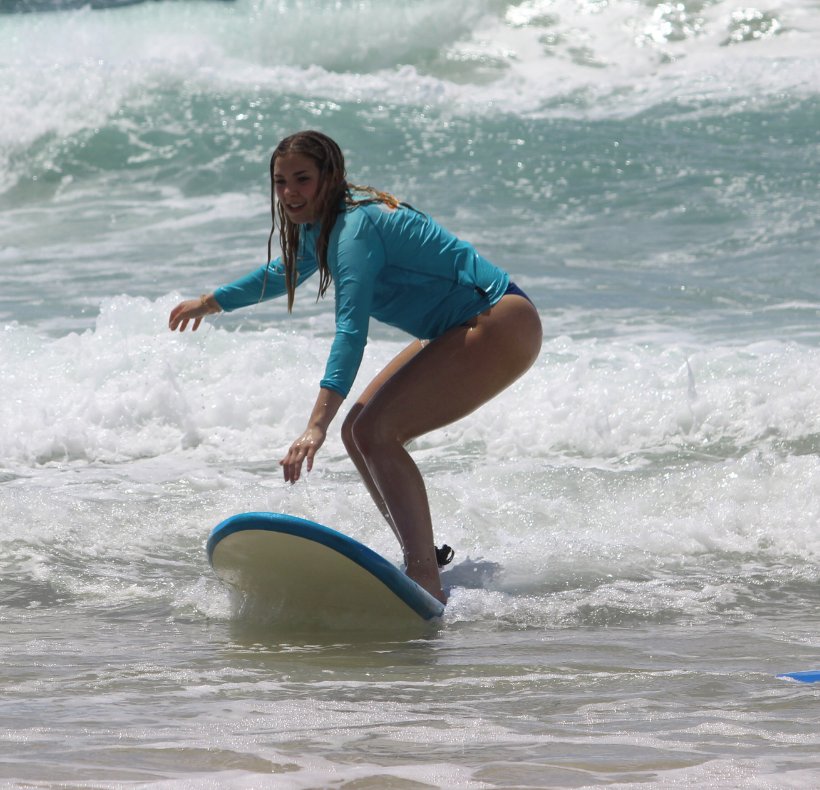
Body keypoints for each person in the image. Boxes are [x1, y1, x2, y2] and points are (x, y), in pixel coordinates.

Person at [169, 132, 541, 603]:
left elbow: (351, 332)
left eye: (302, 179)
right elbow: (279, 274)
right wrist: (211, 303)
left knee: (377, 431)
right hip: (460, 327)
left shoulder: (354, 231)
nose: (289, 193)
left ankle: (424, 577)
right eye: (280, 182)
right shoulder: (320, 228)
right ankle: (424, 555)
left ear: (331, 178)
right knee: (361, 432)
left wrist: (314, 426)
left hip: (497, 319)